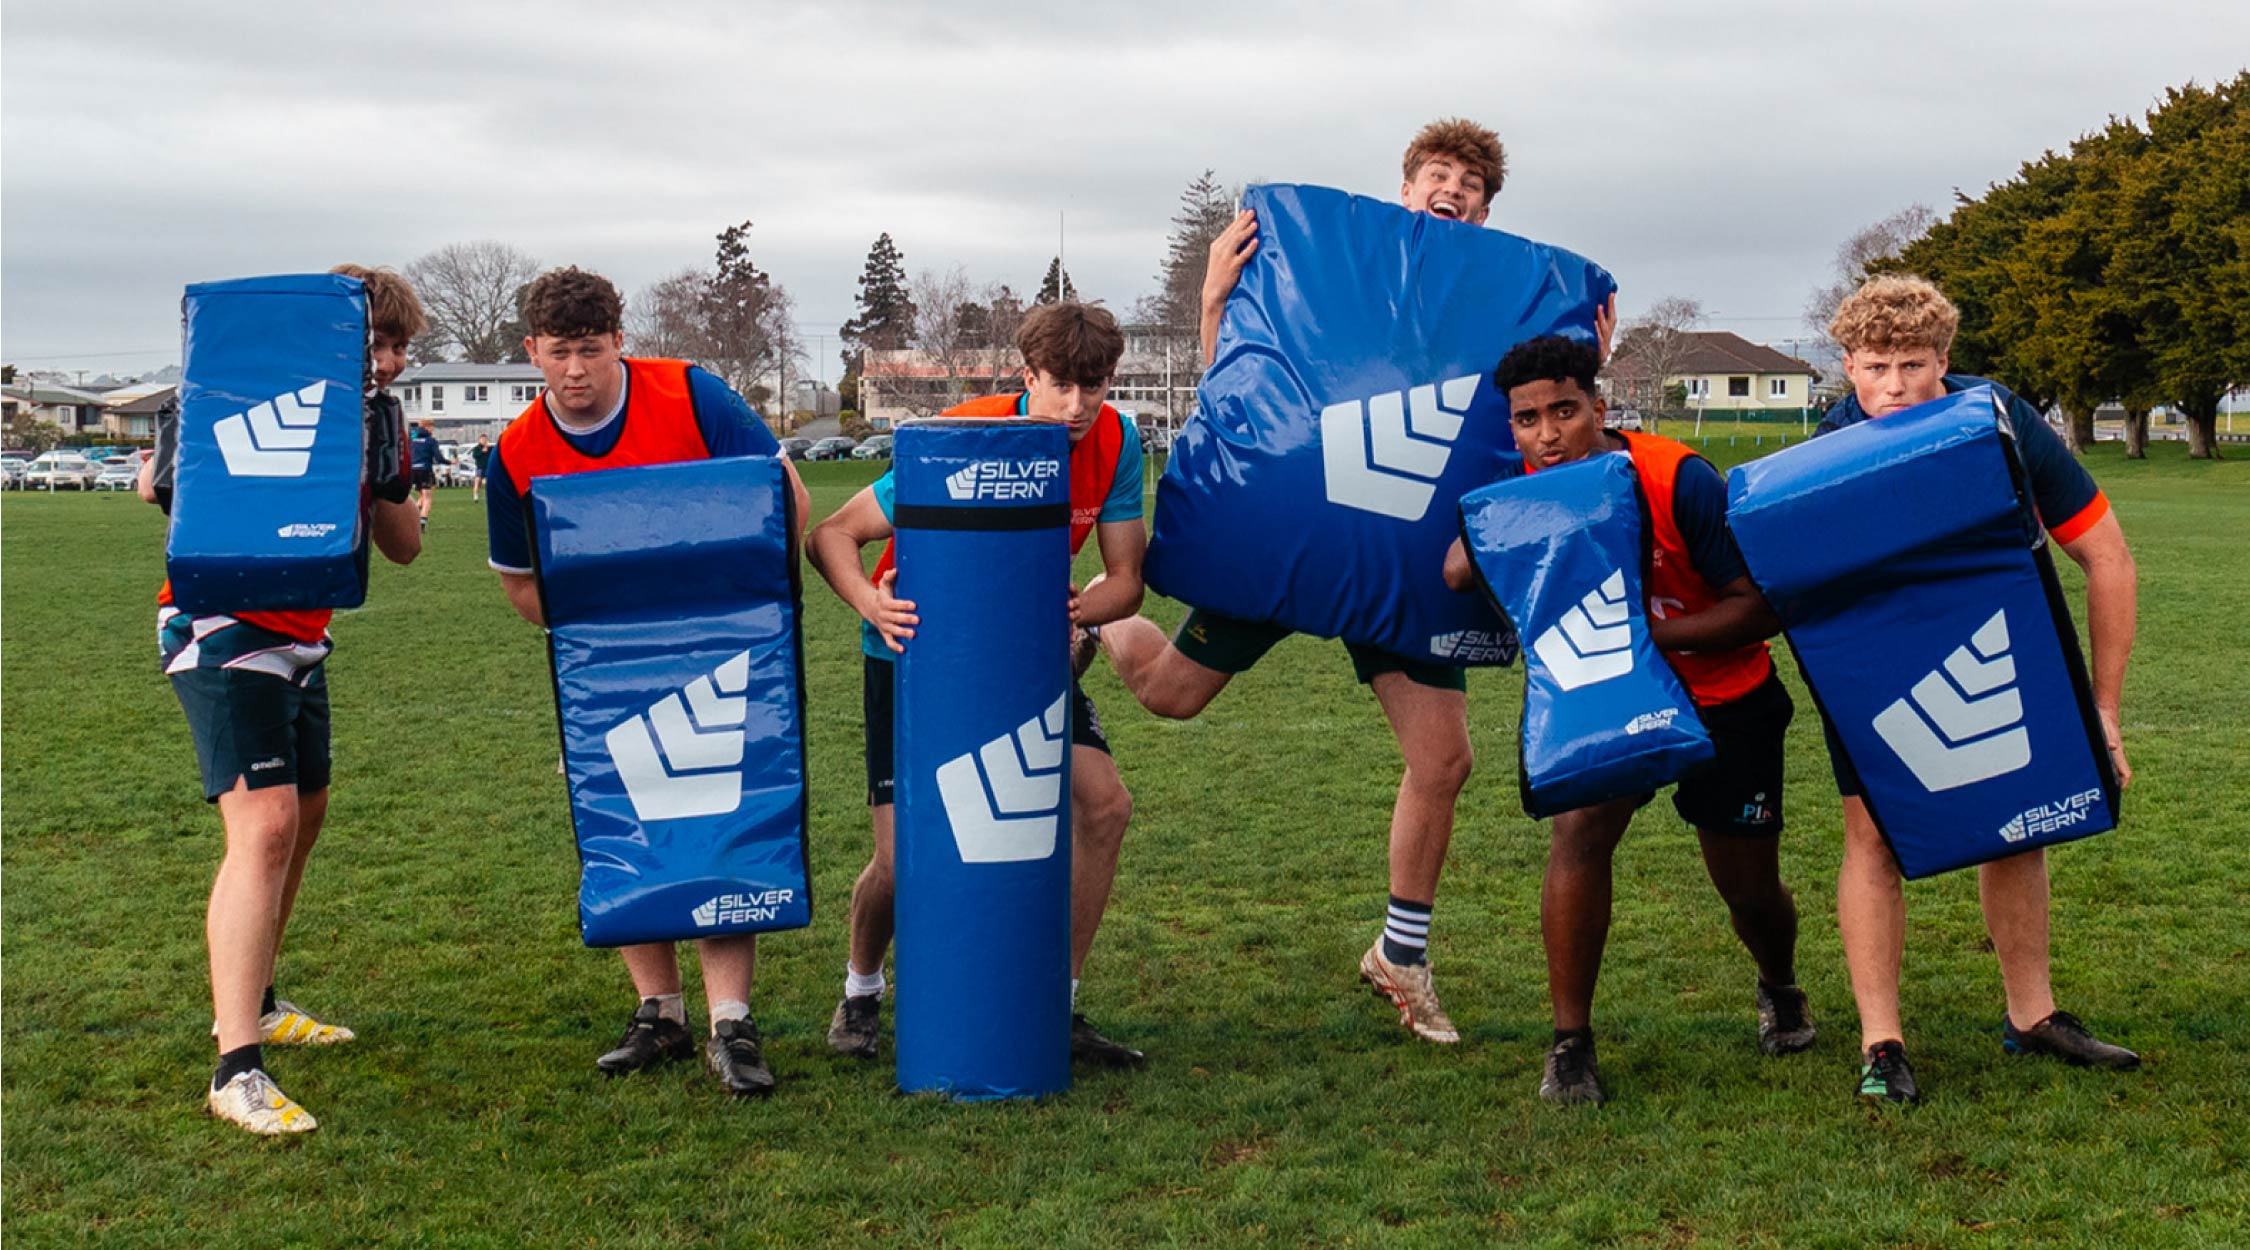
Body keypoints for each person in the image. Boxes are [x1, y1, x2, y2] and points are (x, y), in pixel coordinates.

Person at [1097, 118, 1613, 1043]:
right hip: (1296, 537)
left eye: (1472, 186)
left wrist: (1585, 346)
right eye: (1438, 175)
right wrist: (1217, 300)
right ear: (1406, 188)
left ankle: (1402, 956)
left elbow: (1545, 416)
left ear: (1488, 212)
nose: (1453, 191)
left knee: (1444, 759)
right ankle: (1089, 629)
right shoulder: (1329, 278)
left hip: (1409, 568)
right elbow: (1247, 386)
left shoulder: (1497, 306)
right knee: (1171, 694)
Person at [1441, 336, 1814, 1104]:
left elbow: (1762, 605)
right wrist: (1496, 534)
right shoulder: (1528, 490)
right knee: (1579, 836)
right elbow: (1454, 566)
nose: (1548, 435)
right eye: (1527, 420)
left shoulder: (1679, 479)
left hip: (1724, 700)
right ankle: (1570, 1043)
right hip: (1602, 701)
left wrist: (1645, 638)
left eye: (1565, 412)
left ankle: (1779, 985)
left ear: (1600, 410)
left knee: (1747, 886)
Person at [484, 266, 809, 1098]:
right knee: (622, 819)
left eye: (591, 350)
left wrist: (742, 605)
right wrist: (602, 637)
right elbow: (521, 583)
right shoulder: (517, 450)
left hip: (722, 647)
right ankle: (657, 1012)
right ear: (532, 352)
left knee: (719, 821)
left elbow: (786, 496)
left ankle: (730, 1021)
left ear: (619, 342)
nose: (576, 371)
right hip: (603, 668)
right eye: (558, 353)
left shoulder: (690, 395)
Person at [1818, 275, 2139, 1105]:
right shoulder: (1830, 445)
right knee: (1874, 835)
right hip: (1877, 655)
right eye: (1878, 366)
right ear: (1846, 364)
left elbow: (2107, 557)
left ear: (1945, 361)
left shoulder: (2000, 419)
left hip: (1999, 634)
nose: (1895, 388)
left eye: (1915, 366)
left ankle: (2031, 1014)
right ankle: (1881, 1044)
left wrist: (2103, 711)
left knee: (2016, 816)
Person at [806, 301, 1149, 1068]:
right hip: (917, 659)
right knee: (903, 864)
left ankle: (1050, 1006)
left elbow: (1127, 582)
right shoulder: (965, 436)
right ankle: (862, 989)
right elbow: (830, 534)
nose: (1078, 406)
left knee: (1105, 806)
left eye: (1094, 386)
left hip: (1025, 660)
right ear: (1027, 377)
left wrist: (1074, 611)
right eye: (1062, 385)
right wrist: (871, 601)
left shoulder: (1117, 441)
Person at [140, 263, 426, 1135]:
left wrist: (395, 489)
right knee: (262, 827)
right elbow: (157, 491)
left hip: (303, 637)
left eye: (401, 346)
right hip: (222, 630)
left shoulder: (379, 417)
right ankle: (235, 1068)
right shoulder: (236, 387)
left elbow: (402, 546)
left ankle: (258, 1000)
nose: (392, 362)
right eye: (380, 341)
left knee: (305, 811)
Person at [409, 420, 439, 528]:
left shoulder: (412, 439)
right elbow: (438, 457)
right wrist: (449, 462)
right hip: (425, 470)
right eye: (432, 427)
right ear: (427, 427)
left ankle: (411, 517)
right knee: (427, 497)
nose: (432, 430)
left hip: (412, 470)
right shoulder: (430, 440)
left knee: (422, 496)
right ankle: (422, 523)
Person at [471, 433, 493, 502]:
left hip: (488, 467)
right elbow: (474, 456)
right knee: (477, 481)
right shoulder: (477, 448)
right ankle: (475, 496)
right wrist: (481, 452)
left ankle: (488, 497)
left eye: (485, 439)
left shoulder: (490, 448)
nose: (484, 441)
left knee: (487, 482)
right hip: (480, 467)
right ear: (479, 440)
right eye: (482, 439)